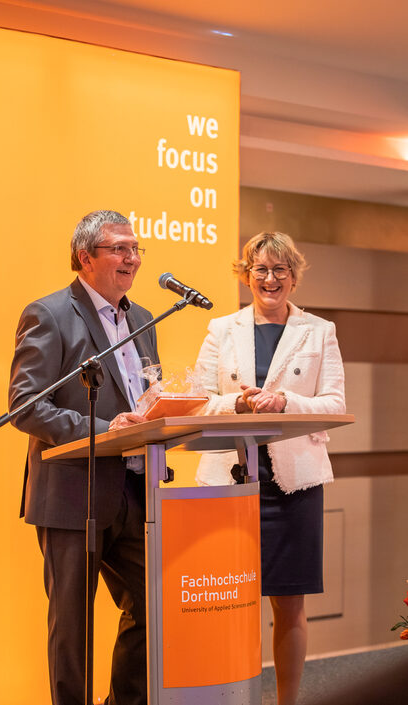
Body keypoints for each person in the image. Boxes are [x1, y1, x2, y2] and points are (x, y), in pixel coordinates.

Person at [9, 210, 159, 705]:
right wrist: (104, 429)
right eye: (119, 248)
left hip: (135, 490)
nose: (132, 258)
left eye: (135, 249)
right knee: (73, 628)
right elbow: (27, 406)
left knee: (152, 605)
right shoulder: (49, 314)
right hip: (74, 493)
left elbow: (140, 396)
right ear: (85, 256)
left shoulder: (141, 319)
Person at [195, 231, 345, 705]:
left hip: (292, 483)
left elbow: (335, 404)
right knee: (230, 602)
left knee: (289, 604)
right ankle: (232, 697)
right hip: (229, 482)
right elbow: (197, 404)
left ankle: (287, 702)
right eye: (259, 269)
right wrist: (236, 403)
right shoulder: (223, 329)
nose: (270, 278)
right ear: (246, 275)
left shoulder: (319, 331)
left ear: (294, 276)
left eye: (280, 269)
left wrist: (285, 401)